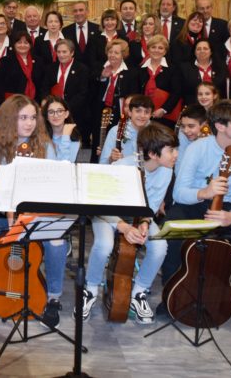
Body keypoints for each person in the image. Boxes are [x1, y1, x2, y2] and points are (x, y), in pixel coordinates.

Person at [161, 100, 231, 348]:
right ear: (220, 126)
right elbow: (179, 192)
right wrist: (205, 192)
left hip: (227, 207)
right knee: (172, 227)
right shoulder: (197, 148)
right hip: (194, 201)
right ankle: (169, 297)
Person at [0, 94, 69, 329]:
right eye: (23, 117)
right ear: (9, 118)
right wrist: (8, 206)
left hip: (36, 208)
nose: (29, 123)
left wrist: (31, 209)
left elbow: (52, 184)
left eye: (33, 118)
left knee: (57, 241)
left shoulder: (45, 146)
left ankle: (53, 298)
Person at [80, 123, 177, 323]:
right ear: (153, 154)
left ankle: (139, 292)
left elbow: (151, 206)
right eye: (171, 150)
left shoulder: (167, 170)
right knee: (104, 245)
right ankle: (90, 289)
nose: (176, 155)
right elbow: (101, 205)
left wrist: (144, 223)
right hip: (108, 215)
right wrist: (123, 227)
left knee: (160, 246)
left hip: (139, 216)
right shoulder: (121, 167)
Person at [40, 39, 91, 145]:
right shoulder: (50, 68)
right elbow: (44, 89)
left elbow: (83, 93)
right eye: (58, 52)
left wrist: (64, 109)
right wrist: (48, 103)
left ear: (72, 53)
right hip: (53, 114)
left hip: (74, 113)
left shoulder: (82, 69)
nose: (61, 55)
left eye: (64, 52)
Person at [136, 35, 182, 129]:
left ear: (165, 51)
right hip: (142, 116)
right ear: (148, 49)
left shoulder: (173, 69)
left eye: (160, 48)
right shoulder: (140, 69)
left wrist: (164, 109)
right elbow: (136, 92)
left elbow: (176, 92)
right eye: (153, 47)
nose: (156, 50)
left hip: (165, 117)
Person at [99, 94, 153, 164]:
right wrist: (111, 159)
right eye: (138, 111)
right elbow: (103, 163)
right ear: (130, 112)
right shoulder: (115, 131)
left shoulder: (156, 134)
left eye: (147, 112)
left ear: (151, 115)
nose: (142, 115)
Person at [0, 31, 45, 105]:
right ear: (14, 44)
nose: (22, 45)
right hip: (13, 103)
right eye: (19, 42)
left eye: (26, 43)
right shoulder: (6, 61)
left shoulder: (39, 61)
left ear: (30, 45)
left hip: (35, 102)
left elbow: (42, 84)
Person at [179, 38, 225, 106]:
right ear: (194, 52)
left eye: (205, 48)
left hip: (217, 107)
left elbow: (226, 89)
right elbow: (180, 91)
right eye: (198, 49)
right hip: (193, 107)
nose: (202, 51)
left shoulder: (221, 67)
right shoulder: (184, 68)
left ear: (211, 52)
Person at [42, 95, 81, 162]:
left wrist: (65, 137)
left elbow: (65, 164)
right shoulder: (41, 137)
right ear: (46, 117)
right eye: (51, 112)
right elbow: (50, 164)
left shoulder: (74, 138)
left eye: (60, 111)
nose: (55, 115)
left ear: (66, 114)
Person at [61, 1, 100, 66]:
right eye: (75, 11)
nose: (78, 13)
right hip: (74, 69)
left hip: (93, 69)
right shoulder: (66, 31)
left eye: (81, 10)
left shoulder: (97, 29)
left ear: (87, 12)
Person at [174, 103, 208, 174]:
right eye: (183, 126)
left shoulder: (215, 136)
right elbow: (180, 161)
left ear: (204, 125)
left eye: (191, 126)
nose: (186, 130)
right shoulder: (183, 133)